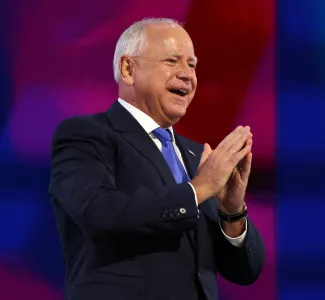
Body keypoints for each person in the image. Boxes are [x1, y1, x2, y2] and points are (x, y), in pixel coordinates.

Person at [48, 17, 266, 300]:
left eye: (192, 64)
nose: (187, 74)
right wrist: (199, 189)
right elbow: (99, 213)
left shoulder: (198, 156)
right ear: (128, 69)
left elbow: (246, 271)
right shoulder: (86, 135)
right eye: (172, 61)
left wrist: (232, 210)